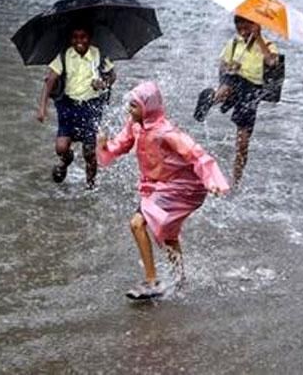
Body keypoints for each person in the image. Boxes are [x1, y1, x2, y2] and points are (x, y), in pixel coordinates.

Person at [97, 81, 230, 299]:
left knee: (136, 224)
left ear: (148, 107)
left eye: (134, 105)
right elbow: (120, 145)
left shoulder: (166, 132)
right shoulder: (135, 125)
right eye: (130, 105)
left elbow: (196, 154)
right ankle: (180, 279)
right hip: (157, 186)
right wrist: (103, 145)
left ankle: (152, 281)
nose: (129, 110)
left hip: (181, 187)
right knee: (169, 235)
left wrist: (212, 180)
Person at [196, 15, 279, 187]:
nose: (241, 29)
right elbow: (222, 66)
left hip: (252, 91)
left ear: (255, 25)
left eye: (245, 25)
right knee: (228, 84)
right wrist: (230, 66)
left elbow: (272, 62)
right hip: (233, 81)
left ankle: (235, 181)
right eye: (238, 25)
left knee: (242, 144)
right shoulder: (234, 44)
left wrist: (258, 39)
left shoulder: (268, 46)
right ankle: (211, 98)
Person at [37, 23, 116, 188]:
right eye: (75, 37)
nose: (79, 41)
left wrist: (103, 83)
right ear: (70, 39)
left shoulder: (98, 55)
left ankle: (90, 186)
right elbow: (49, 81)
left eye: (83, 37)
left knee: (89, 151)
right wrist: (42, 108)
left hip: (91, 106)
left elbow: (112, 75)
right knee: (61, 147)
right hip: (68, 105)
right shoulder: (64, 56)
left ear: (90, 38)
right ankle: (67, 159)